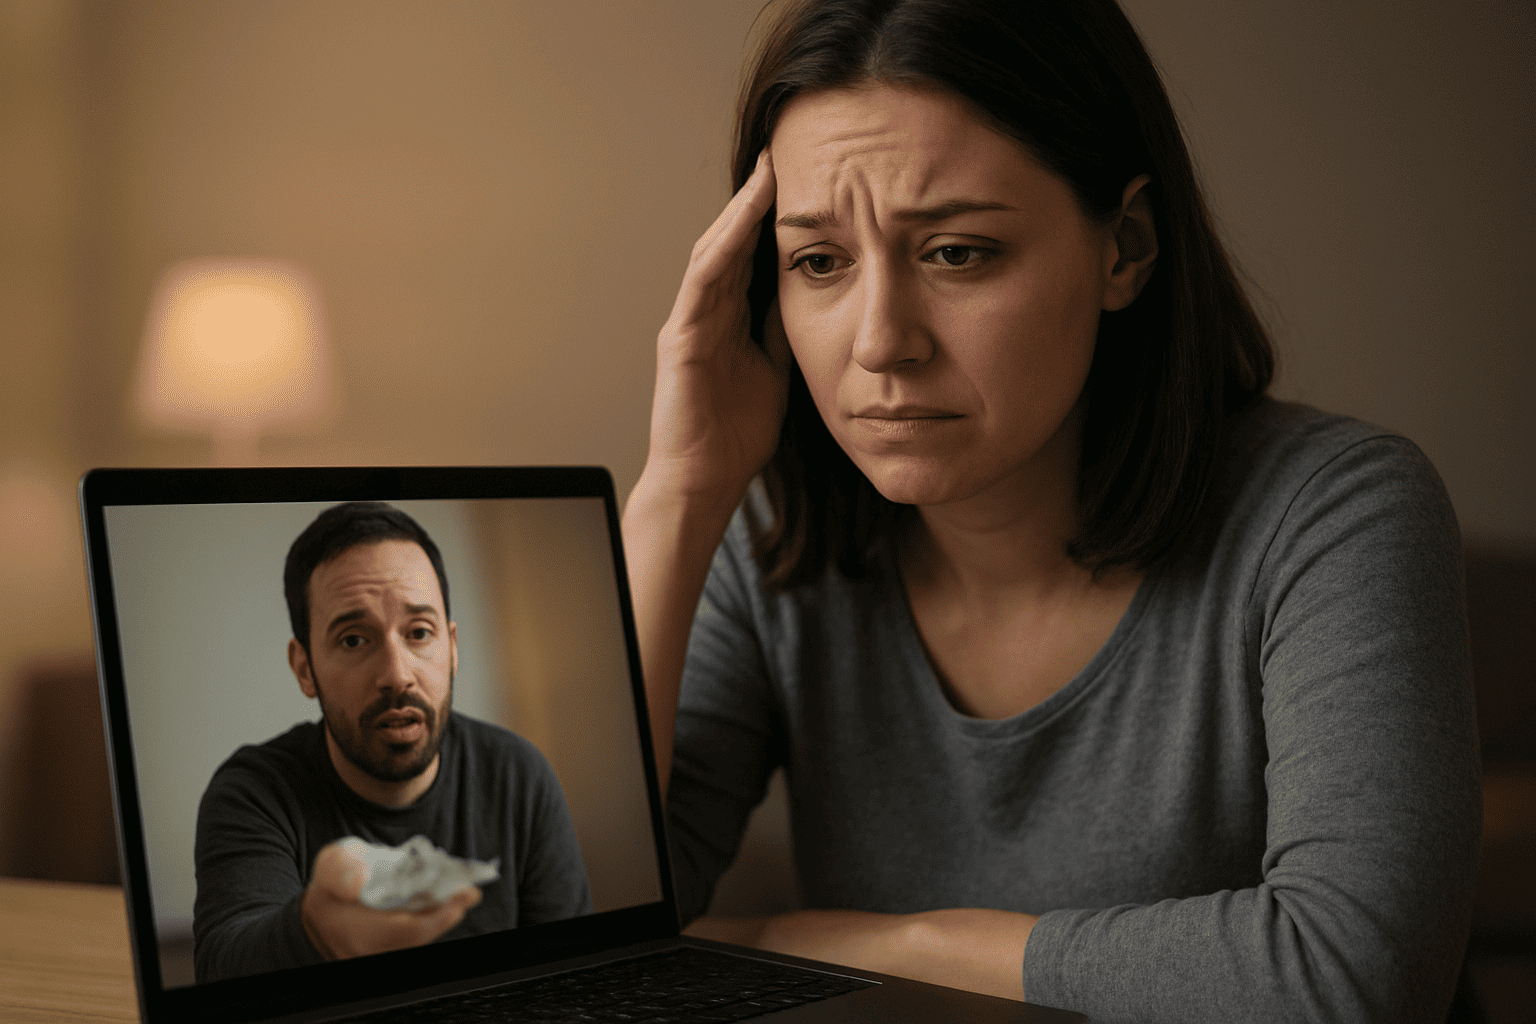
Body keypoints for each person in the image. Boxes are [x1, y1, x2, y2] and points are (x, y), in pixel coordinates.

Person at [621, 1, 1481, 1021]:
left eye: (957, 253)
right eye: (819, 262)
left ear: (1124, 247)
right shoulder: (775, 553)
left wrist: (849, 945)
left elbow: (1349, 980)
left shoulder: (1335, 512)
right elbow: (539, 925)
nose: (880, 341)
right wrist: (676, 495)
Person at [193, 502, 590, 983]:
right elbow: (221, 973)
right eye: (354, 640)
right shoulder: (254, 793)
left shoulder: (518, 776)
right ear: (304, 668)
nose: (397, 676)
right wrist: (316, 932)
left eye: (419, 633)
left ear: (452, 647)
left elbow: (573, 978)